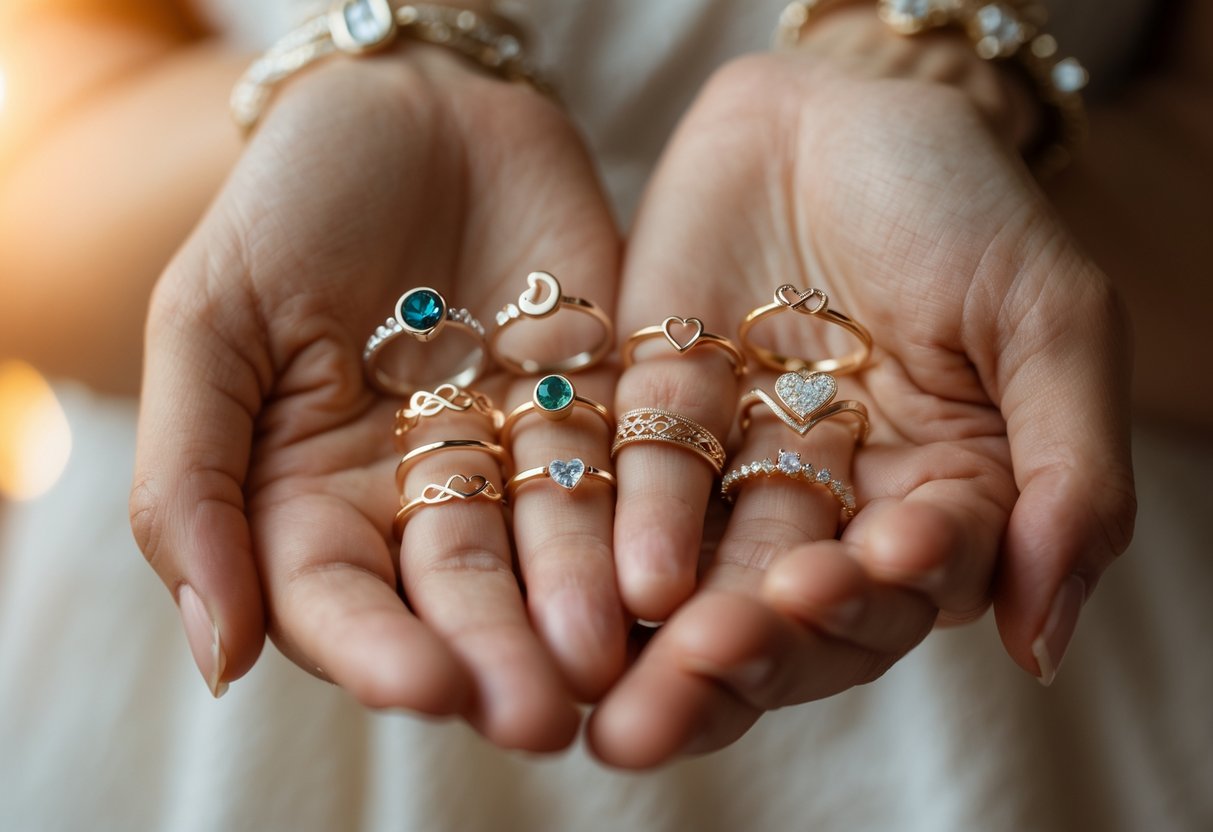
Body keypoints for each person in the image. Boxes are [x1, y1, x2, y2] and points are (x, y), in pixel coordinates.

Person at [1, 0, 1209, 827]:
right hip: (295, 533)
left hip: (959, 514)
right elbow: (30, 176)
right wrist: (386, 83)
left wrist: (945, 102)